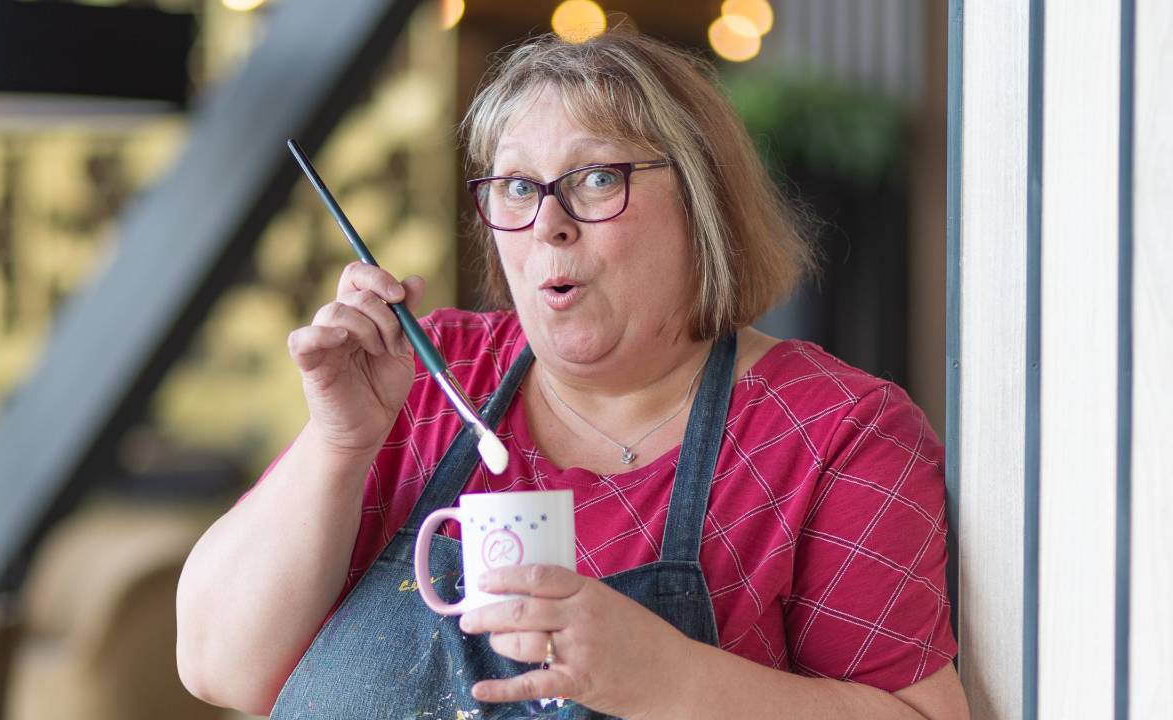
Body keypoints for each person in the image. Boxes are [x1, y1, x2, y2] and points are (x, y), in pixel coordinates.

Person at [175, 30, 969, 719]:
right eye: (518, 187)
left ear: (703, 204)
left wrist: (673, 679)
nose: (547, 223)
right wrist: (340, 443)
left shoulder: (833, 433)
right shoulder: (426, 376)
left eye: (596, 178)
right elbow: (219, 667)